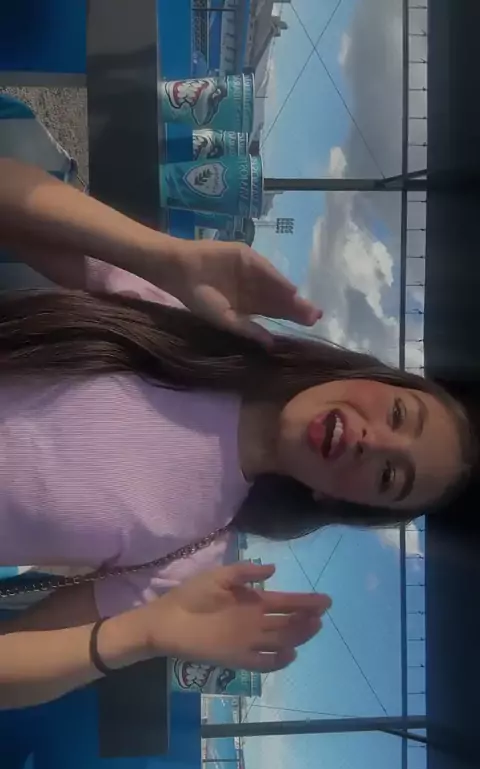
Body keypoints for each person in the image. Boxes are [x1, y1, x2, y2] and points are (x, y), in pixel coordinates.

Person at [0, 158, 476, 711]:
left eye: (390, 477)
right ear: (367, 375)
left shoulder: (191, 560)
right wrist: (162, 255)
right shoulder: (186, 319)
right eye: (398, 414)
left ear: (338, 500)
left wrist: (143, 636)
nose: (377, 443)